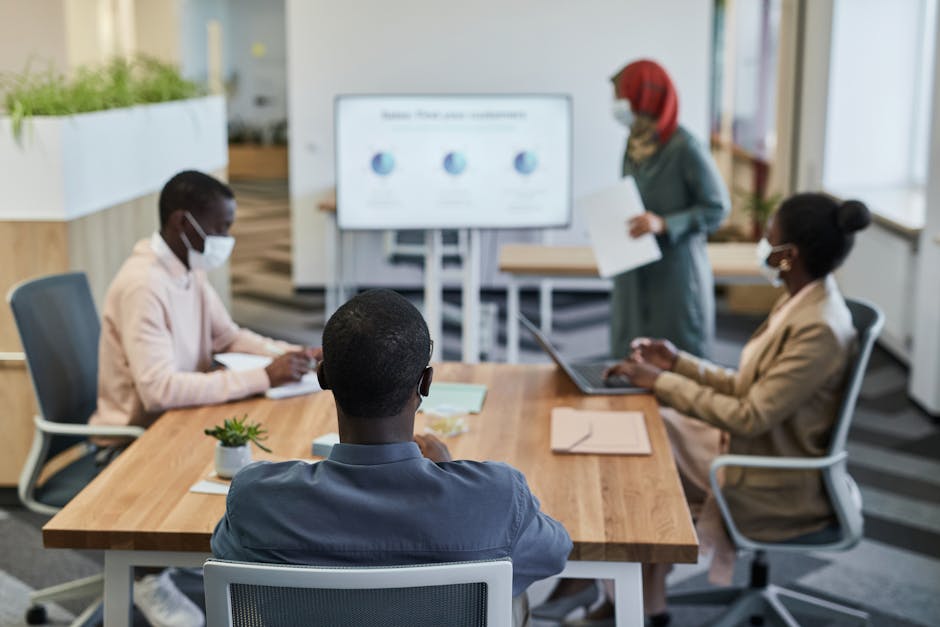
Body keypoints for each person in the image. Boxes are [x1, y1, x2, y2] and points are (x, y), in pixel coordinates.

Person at [552, 193, 871, 626]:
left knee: (639, 462)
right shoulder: (803, 299)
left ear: (789, 256)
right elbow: (747, 384)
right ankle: (643, 600)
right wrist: (676, 362)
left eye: (769, 237)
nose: (761, 242)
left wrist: (662, 383)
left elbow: (749, 415)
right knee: (643, 436)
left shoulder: (818, 327)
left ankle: (624, 595)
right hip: (755, 445)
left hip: (774, 476)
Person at [211, 289, 572, 627]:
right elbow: (556, 551)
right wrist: (446, 471)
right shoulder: (496, 497)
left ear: (323, 377)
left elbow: (226, 555)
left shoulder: (256, 499)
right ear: (426, 383)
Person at [89, 170, 320, 627]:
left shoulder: (185, 269)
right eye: (221, 227)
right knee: (259, 464)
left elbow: (227, 336)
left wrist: (286, 355)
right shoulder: (145, 285)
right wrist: (262, 376)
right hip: (134, 440)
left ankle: (196, 561)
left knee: (267, 454)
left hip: (176, 423)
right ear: (183, 222)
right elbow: (159, 390)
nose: (227, 238)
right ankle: (146, 578)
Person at [608, 59, 730, 360]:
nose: (616, 105)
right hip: (635, 267)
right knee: (631, 358)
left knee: (675, 361)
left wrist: (665, 224)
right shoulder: (633, 143)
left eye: (621, 97)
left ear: (643, 99)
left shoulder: (685, 147)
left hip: (675, 272)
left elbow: (717, 208)